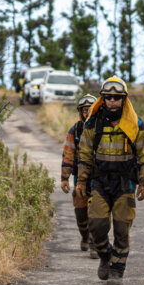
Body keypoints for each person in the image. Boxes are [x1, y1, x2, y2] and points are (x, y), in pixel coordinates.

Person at [75, 76, 144, 285]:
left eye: (116, 98)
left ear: (123, 99)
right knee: (96, 224)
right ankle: (104, 256)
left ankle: (117, 270)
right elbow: (84, 154)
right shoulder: (93, 122)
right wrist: (81, 182)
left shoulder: (135, 123)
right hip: (99, 182)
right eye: (108, 97)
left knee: (121, 228)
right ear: (103, 98)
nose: (112, 101)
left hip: (125, 184)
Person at [60, 94, 99, 259]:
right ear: (80, 112)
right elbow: (68, 154)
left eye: (90, 110)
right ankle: (85, 236)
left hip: (98, 177)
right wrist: (64, 178)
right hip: (79, 177)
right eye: (84, 110)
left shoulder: (103, 128)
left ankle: (95, 244)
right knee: (81, 211)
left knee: (97, 212)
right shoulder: (75, 130)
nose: (87, 113)